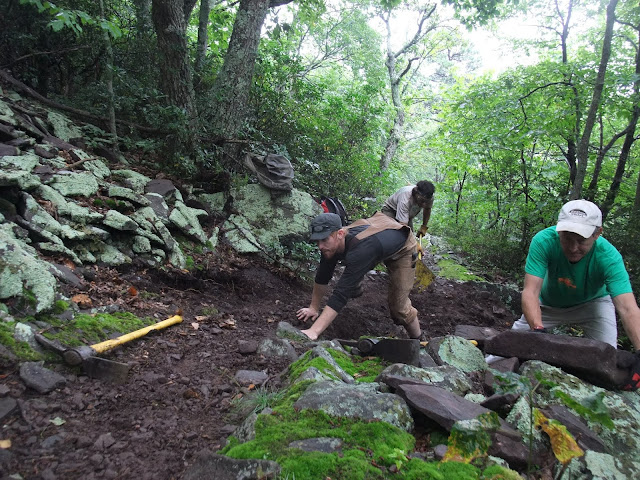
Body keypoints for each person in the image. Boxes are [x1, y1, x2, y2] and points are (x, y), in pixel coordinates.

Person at [500, 199, 640, 390]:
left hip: (593, 306)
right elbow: (531, 292)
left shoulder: (609, 257)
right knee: (505, 348)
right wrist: (537, 331)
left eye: (581, 241)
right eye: (567, 239)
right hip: (549, 304)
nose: (573, 248)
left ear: (597, 234)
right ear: (559, 231)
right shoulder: (544, 241)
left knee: (607, 362)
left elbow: (628, 308)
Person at [296, 211, 422, 341]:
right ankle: (356, 285)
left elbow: (341, 294)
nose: (320, 246)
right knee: (353, 271)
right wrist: (313, 308)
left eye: (324, 239)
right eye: (317, 241)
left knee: (399, 309)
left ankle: (419, 341)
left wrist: (314, 331)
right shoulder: (331, 244)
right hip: (377, 241)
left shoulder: (361, 251)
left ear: (340, 234)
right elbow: (323, 275)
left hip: (403, 248)